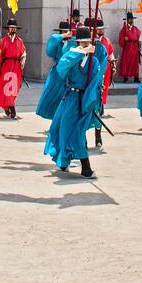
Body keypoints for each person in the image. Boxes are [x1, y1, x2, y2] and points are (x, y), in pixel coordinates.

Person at [44, 25, 107, 179]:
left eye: (86, 43)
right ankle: (64, 162)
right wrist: (82, 52)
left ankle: (85, 168)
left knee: (77, 133)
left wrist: (90, 102)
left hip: (85, 100)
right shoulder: (71, 56)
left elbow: (95, 83)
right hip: (69, 98)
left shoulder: (95, 62)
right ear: (78, 42)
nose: (84, 45)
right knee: (62, 129)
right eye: (81, 43)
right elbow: (62, 67)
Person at [0, 16, 27, 117]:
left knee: (14, 88)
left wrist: (22, 62)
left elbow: (23, 53)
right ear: (8, 29)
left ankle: (9, 106)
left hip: (16, 66)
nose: (13, 29)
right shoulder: (3, 41)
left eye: (14, 28)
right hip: (6, 66)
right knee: (6, 88)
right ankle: (10, 107)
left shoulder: (20, 41)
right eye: (11, 27)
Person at [35, 20, 72, 119]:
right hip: (57, 72)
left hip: (70, 72)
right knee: (53, 94)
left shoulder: (72, 42)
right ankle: (55, 117)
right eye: (62, 32)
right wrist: (63, 36)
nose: (65, 33)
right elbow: (50, 47)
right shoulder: (56, 41)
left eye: (66, 31)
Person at [91, 17, 116, 149]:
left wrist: (113, 63)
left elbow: (111, 53)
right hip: (91, 75)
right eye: (98, 29)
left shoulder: (106, 41)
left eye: (102, 29)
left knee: (101, 96)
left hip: (104, 72)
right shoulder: (89, 43)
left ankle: (98, 137)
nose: (100, 31)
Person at [117, 11, 142, 84]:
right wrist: (124, 38)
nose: (131, 20)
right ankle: (126, 77)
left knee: (135, 62)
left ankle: (136, 77)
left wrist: (139, 46)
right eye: (129, 19)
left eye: (132, 19)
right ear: (127, 20)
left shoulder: (136, 29)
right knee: (126, 62)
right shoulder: (124, 29)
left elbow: (139, 39)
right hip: (128, 47)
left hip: (135, 47)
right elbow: (121, 40)